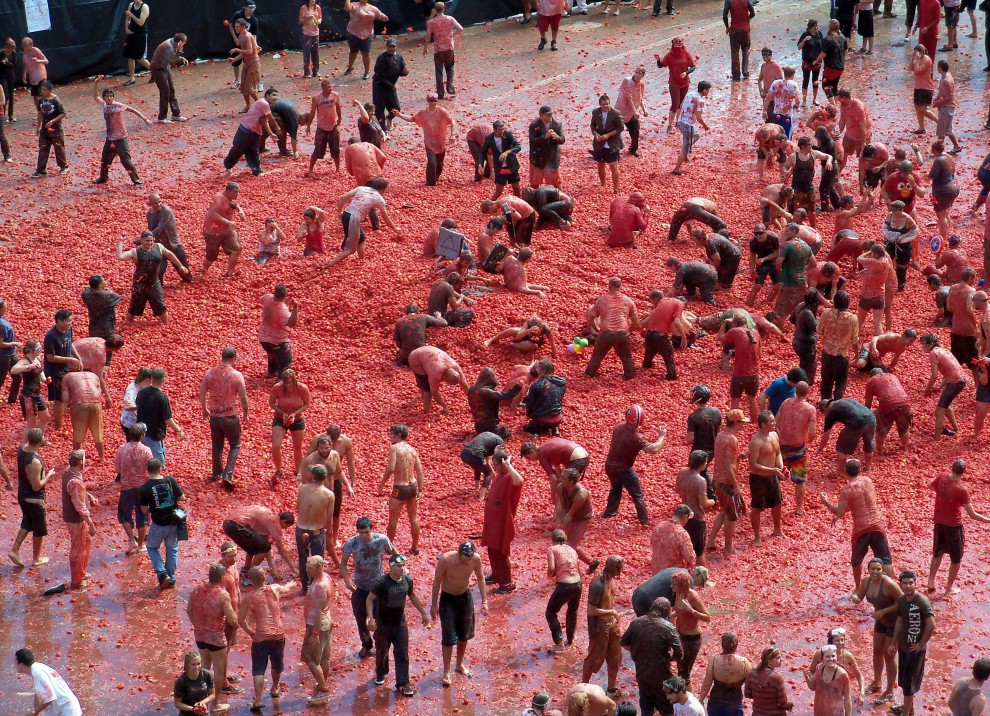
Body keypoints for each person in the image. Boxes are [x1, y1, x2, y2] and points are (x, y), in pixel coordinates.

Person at [820, 458, 893, 585]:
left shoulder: (846, 490)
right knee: (885, 559)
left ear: (846, 472)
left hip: (861, 528)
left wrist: (826, 502)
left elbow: (839, 511)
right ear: (859, 470)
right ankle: (896, 589)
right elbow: (860, 502)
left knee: (856, 561)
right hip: (877, 524)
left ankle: (859, 588)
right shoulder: (868, 481)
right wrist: (841, 513)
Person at [368, 553, 430, 696]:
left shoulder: (407, 580)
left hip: (400, 624)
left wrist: (423, 612)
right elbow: (369, 599)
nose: (402, 568)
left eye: (403, 565)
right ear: (390, 567)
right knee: (382, 650)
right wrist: (371, 618)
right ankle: (381, 672)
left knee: (402, 653)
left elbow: (412, 596)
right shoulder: (382, 582)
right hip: (383, 624)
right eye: (398, 566)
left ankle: (403, 683)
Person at [238, 566, 297, 713]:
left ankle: (258, 699)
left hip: (261, 636)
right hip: (278, 634)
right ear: (264, 577)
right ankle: (275, 688)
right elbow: (286, 588)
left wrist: (251, 632)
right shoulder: (275, 589)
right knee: (277, 664)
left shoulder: (248, 598)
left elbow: (241, 620)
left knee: (259, 668)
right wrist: (293, 583)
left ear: (250, 580)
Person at [927, 459, 990, 595]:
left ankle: (930, 582)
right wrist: (988, 520)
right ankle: (948, 588)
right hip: (953, 526)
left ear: (951, 468)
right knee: (956, 559)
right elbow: (972, 515)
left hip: (938, 522)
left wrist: (942, 496)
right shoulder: (962, 490)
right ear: (964, 472)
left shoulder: (941, 477)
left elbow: (930, 486)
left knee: (937, 552)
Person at [430, 541, 488, 687]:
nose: (466, 560)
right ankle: (447, 670)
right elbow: (437, 582)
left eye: (469, 557)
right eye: (464, 557)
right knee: (448, 636)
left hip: (465, 596)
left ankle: (459, 664)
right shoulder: (446, 560)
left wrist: (484, 601)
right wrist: (433, 605)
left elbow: (481, 578)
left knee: (464, 634)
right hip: (448, 598)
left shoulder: (476, 559)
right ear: (458, 553)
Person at [341, 517, 396, 658]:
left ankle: (380, 645)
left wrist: (400, 569)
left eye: (366, 532)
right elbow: (343, 564)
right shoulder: (352, 543)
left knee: (380, 620)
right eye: (361, 533)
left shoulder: (381, 540)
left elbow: (394, 553)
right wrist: (347, 580)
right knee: (360, 620)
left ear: (372, 529)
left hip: (378, 587)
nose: (364, 536)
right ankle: (366, 645)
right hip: (360, 587)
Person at [185, 564, 238, 711]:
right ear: (222, 578)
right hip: (216, 636)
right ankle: (215, 705)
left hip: (200, 635)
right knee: (219, 671)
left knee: (204, 669)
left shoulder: (196, 590)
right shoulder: (222, 594)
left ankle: (200, 701)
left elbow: (189, 610)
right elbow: (232, 619)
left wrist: (197, 624)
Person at [603, 404, 666, 525]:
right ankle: (644, 521)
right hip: (624, 469)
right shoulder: (636, 438)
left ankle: (609, 513)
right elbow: (653, 449)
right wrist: (662, 436)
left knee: (615, 488)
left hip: (610, 466)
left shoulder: (619, 427)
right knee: (637, 495)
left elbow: (620, 445)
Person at [851, 558, 903, 702]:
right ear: (868, 569)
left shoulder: (889, 584)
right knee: (876, 651)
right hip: (881, 620)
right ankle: (877, 682)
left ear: (883, 570)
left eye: (878, 569)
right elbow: (859, 596)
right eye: (872, 568)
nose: (875, 572)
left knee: (889, 655)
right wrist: (855, 598)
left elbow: (903, 603)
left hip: (895, 622)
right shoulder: (866, 582)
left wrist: (884, 611)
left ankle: (890, 690)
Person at [621, 597, 683, 716]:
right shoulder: (669, 627)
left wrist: (637, 652)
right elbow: (679, 654)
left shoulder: (636, 622)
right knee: (668, 710)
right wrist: (669, 658)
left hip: (643, 674)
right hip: (662, 675)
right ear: (667, 612)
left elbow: (623, 642)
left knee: (646, 709)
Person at [198, 347, 248, 488]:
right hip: (230, 415)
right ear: (234, 359)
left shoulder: (210, 373)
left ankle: (216, 473)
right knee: (235, 444)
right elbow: (243, 398)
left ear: (222, 357)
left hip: (214, 415)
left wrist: (204, 409)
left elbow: (202, 393)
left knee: (217, 445)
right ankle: (227, 474)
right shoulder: (237, 375)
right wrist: (245, 414)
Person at [116, 232, 189, 325]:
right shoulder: (135, 252)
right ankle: (128, 324)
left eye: (151, 240)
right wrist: (121, 242)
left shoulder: (158, 247)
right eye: (147, 241)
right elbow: (120, 257)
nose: (150, 243)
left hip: (154, 282)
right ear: (141, 240)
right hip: (140, 283)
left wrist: (180, 266)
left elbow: (170, 254)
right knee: (134, 305)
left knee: (160, 305)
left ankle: (165, 325)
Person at [889, 570, 935, 716]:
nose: (908, 586)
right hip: (903, 646)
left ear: (915, 584)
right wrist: (893, 642)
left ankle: (906, 713)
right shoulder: (902, 601)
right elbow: (899, 621)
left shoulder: (922, 601)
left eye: (911, 583)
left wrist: (921, 644)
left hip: (914, 650)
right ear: (900, 584)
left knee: (909, 683)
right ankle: (909, 708)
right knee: (904, 680)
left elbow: (931, 625)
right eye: (905, 583)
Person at [328, 177, 402, 268]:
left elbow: (343, 197)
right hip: (353, 219)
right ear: (383, 189)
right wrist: (395, 228)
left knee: (361, 238)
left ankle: (361, 260)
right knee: (350, 249)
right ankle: (330, 264)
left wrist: (339, 213)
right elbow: (385, 217)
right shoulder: (378, 198)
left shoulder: (361, 188)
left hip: (346, 214)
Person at [481, 447, 524, 591]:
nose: (495, 468)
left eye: (497, 465)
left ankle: (507, 583)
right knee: (491, 548)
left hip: (502, 522)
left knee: (500, 551)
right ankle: (496, 575)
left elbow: (519, 481)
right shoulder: (499, 475)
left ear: (503, 465)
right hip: (493, 522)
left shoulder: (510, 478)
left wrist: (509, 465)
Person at [582, 555, 625, 699]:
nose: (621, 569)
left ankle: (611, 689)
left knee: (615, 657)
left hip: (612, 624)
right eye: (618, 567)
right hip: (600, 627)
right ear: (610, 566)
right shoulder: (597, 584)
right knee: (593, 659)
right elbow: (591, 610)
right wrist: (611, 612)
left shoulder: (612, 580)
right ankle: (583, 690)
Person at [377, 424, 424, 554]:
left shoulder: (394, 448)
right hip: (412, 487)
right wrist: (420, 489)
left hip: (400, 487)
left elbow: (391, 468)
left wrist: (381, 485)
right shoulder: (413, 450)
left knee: (393, 520)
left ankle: (389, 548)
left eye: (391, 434)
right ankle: (415, 547)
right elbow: (419, 471)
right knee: (413, 518)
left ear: (398, 435)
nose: (389, 437)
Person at [92, 79, 149, 186]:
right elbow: (95, 96)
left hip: (121, 138)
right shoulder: (103, 105)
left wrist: (144, 118)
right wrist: (95, 83)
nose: (109, 98)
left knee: (126, 160)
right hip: (110, 138)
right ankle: (103, 178)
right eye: (107, 96)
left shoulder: (117, 106)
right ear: (104, 98)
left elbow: (132, 109)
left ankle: (136, 180)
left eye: (111, 96)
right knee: (105, 159)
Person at [139, 458, 183, 589]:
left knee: (152, 547)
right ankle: (171, 577)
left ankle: (163, 574)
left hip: (158, 524)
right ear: (160, 469)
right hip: (174, 522)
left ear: (147, 471)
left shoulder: (144, 488)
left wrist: (153, 507)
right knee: (172, 549)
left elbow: (144, 510)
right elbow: (182, 497)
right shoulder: (170, 480)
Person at [394, 93, 455, 186]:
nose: (433, 103)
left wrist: (452, 135)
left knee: (440, 164)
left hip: (441, 143)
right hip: (429, 143)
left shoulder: (442, 112)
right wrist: (399, 115)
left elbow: (452, 121)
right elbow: (412, 119)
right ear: (428, 101)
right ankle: (430, 183)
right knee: (432, 163)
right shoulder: (423, 113)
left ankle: (436, 176)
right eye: (431, 101)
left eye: (435, 101)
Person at [585, 277, 639, 380]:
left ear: (609, 287)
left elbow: (591, 317)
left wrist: (597, 328)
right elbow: (636, 322)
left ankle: (589, 374)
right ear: (621, 287)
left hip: (606, 333)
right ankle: (630, 375)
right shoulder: (628, 300)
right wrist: (627, 330)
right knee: (626, 357)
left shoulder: (601, 300)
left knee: (597, 356)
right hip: (622, 333)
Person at [774, 381, 817, 514]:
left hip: (782, 446)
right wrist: (807, 440)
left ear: (795, 391)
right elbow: (812, 433)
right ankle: (799, 508)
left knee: (777, 475)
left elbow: (777, 421)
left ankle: (775, 505)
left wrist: (781, 433)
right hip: (798, 448)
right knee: (799, 480)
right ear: (807, 392)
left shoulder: (786, 402)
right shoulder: (810, 409)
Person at [222, 505, 297, 577]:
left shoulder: (268, 519)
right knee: (263, 546)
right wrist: (293, 568)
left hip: (227, 523)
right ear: (283, 521)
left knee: (255, 546)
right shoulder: (275, 524)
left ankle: (246, 570)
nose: (285, 529)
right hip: (235, 525)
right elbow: (281, 551)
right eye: (287, 526)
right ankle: (251, 575)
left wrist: (272, 569)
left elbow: (266, 546)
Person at [115, 422, 153, 555]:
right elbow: (151, 469)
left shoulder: (121, 449)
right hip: (143, 488)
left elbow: (117, 469)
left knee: (124, 515)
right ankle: (141, 545)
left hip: (126, 487)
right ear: (142, 435)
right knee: (142, 517)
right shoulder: (146, 451)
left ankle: (132, 540)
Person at [223, 87, 278, 177]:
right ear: (267, 95)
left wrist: (271, 133)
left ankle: (257, 170)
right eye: (273, 95)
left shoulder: (265, 105)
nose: (275, 97)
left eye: (276, 96)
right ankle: (228, 167)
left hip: (254, 132)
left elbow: (265, 121)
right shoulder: (263, 103)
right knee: (238, 149)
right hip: (246, 129)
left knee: (253, 151)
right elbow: (270, 119)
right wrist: (277, 128)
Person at [921, 332, 967, 439]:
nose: (923, 347)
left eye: (924, 344)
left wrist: (927, 390)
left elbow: (935, 375)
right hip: (961, 379)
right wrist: (940, 386)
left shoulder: (933, 353)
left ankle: (937, 438)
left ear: (930, 344)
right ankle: (956, 429)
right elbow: (950, 370)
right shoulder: (943, 350)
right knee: (945, 404)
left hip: (954, 383)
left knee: (939, 410)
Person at [748, 410, 784, 545]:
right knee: (757, 508)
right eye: (771, 421)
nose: (774, 423)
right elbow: (753, 465)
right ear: (763, 424)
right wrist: (773, 470)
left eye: (774, 420)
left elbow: (778, 453)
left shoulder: (774, 435)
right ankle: (757, 536)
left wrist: (781, 467)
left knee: (777, 504)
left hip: (772, 476)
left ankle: (777, 529)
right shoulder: (756, 441)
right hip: (759, 478)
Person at [817, 398, 877, 479]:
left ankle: (840, 471)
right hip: (871, 418)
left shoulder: (831, 411)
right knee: (868, 442)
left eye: (823, 413)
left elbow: (826, 435)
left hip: (857, 422)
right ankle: (868, 468)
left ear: (824, 409)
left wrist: (820, 448)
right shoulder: (843, 400)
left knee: (841, 448)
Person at [269, 368, 310, 483]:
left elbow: (306, 404)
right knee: (276, 444)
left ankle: (299, 472)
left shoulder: (302, 388)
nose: (289, 385)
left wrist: (294, 413)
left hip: (297, 418)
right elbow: (271, 402)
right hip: (280, 417)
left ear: (295, 380)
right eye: (286, 382)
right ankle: (278, 470)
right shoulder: (277, 388)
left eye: (291, 382)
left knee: (297, 447)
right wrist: (282, 413)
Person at [676, 452, 715, 569]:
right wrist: (712, 501)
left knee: (685, 545)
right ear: (702, 465)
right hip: (696, 516)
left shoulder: (682, 472)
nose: (707, 464)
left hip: (682, 514)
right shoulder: (700, 480)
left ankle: (686, 571)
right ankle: (703, 579)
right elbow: (704, 503)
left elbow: (677, 489)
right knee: (699, 550)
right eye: (706, 462)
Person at [14, 648, 82, 716]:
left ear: (21, 664)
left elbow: (49, 698)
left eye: (15, 662)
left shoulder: (37, 673)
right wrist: (36, 713)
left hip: (66, 709)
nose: (14, 664)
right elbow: (38, 694)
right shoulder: (37, 667)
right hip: (64, 708)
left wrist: (33, 712)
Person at [818, 291, 858, 405]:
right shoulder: (852, 319)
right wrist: (856, 354)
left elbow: (819, 330)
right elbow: (855, 340)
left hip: (827, 353)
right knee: (841, 382)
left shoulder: (826, 313)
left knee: (826, 380)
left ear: (834, 301)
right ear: (848, 304)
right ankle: (836, 405)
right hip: (842, 356)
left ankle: (825, 403)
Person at [545, 528, 583, 651]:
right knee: (573, 611)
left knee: (551, 613)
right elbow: (578, 568)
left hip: (564, 584)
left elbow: (551, 569)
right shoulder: (571, 549)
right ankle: (570, 638)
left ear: (553, 540)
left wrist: (550, 575)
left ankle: (559, 642)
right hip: (577, 583)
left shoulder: (552, 549)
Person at [720, 315, 762, 421]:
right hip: (754, 374)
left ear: (735, 324)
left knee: (735, 400)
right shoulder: (756, 333)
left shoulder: (735, 331)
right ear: (746, 323)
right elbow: (759, 354)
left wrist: (725, 323)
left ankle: (734, 423)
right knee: (752, 399)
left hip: (739, 374)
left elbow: (720, 337)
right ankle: (753, 422)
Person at [699, 632, 751, 716]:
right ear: (736, 645)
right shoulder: (744, 663)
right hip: (734, 706)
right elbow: (749, 687)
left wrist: (701, 700)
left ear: (722, 644)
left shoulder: (714, 661)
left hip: (716, 704)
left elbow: (706, 684)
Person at [61, 368, 107, 461]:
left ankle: (76, 460)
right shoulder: (94, 375)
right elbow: (99, 391)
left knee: (78, 433)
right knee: (98, 432)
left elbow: (65, 397)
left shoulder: (68, 376)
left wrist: (66, 407)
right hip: (95, 403)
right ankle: (102, 458)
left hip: (79, 404)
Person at [863, 368, 913, 454]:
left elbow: (868, 404)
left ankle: (880, 451)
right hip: (904, 403)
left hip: (887, 405)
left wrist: (865, 417)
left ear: (871, 376)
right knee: (904, 429)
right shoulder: (893, 376)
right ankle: (905, 449)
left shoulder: (871, 381)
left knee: (880, 430)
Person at [407, 345, 468, 414]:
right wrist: (444, 406)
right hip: (415, 358)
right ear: (444, 378)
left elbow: (465, 385)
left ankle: (422, 396)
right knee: (427, 389)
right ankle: (426, 412)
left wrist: (473, 401)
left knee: (426, 384)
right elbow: (434, 392)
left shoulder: (456, 366)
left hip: (428, 351)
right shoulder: (436, 372)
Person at [654, 37, 697, 135]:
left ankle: (678, 123)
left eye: (680, 42)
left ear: (683, 43)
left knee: (681, 104)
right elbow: (661, 65)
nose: (678, 44)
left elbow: (693, 66)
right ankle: (670, 125)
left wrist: (686, 73)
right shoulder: (670, 55)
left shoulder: (686, 54)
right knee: (675, 104)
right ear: (673, 44)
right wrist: (658, 60)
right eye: (676, 42)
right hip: (674, 82)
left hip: (685, 82)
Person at [146, 194, 193, 282]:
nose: (159, 204)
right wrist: (146, 239)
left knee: (182, 266)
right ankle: (158, 287)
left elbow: (161, 227)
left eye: (160, 201)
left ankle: (188, 280)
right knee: (159, 268)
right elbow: (150, 228)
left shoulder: (166, 211)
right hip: (161, 245)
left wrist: (147, 236)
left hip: (173, 243)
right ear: (150, 204)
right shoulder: (149, 214)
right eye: (156, 203)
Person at [202, 182, 245, 278]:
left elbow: (234, 204)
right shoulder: (218, 199)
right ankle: (203, 270)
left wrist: (240, 211)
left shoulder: (231, 198)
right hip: (213, 230)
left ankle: (230, 273)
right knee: (212, 255)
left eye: (238, 192)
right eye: (235, 192)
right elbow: (212, 213)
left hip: (227, 230)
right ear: (228, 191)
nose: (237, 194)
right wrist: (227, 222)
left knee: (236, 249)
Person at [149, 33, 190, 123]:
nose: (184, 44)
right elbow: (172, 62)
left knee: (171, 90)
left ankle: (176, 114)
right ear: (180, 42)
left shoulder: (172, 42)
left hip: (164, 68)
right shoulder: (168, 46)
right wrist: (180, 51)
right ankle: (162, 117)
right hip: (158, 70)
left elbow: (172, 57)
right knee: (165, 92)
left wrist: (181, 58)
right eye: (184, 42)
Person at [424, 2, 463, 96]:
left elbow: (428, 36)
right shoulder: (450, 19)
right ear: (444, 9)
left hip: (438, 49)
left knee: (439, 71)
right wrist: (453, 34)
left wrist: (425, 48)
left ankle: (440, 93)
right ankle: (450, 87)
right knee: (450, 68)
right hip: (449, 48)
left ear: (435, 10)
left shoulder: (431, 22)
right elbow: (460, 29)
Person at [673, 81, 711, 176]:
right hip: (687, 125)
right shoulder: (700, 101)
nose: (709, 92)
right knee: (685, 149)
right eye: (708, 90)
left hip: (681, 121)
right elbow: (699, 117)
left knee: (696, 135)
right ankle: (676, 169)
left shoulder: (689, 94)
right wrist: (705, 125)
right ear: (704, 90)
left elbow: (681, 106)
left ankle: (685, 152)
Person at [258, 284, 297, 379]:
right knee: (284, 363)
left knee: (272, 354)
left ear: (274, 292)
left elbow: (260, 300)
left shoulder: (268, 297)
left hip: (264, 338)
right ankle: (280, 382)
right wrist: (295, 309)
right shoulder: (283, 310)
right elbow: (292, 323)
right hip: (278, 341)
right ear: (285, 295)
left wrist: (282, 303)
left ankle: (271, 373)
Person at [31, 81, 68, 179]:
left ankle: (64, 166)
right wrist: (38, 127)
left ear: (50, 90)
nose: (43, 91)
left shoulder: (56, 100)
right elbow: (40, 114)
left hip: (56, 129)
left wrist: (52, 121)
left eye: (45, 90)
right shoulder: (41, 100)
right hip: (45, 129)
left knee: (59, 148)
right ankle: (41, 170)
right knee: (43, 148)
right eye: (42, 90)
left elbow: (63, 113)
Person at [306, 80, 342, 177]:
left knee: (335, 150)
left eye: (331, 87)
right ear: (323, 88)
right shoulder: (316, 98)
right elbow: (312, 112)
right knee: (317, 150)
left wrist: (340, 118)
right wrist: (308, 125)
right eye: (328, 87)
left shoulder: (335, 95)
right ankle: (310, 170)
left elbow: (338, 107)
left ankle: (338, 169)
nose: (331, 89)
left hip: (333, 127)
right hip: (322, 128)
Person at [344, 0, 387, 80]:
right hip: (353, 33)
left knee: (365, 53)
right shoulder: (354, 5)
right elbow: (347, 8)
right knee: (353, 51)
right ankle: (350, 67)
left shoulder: (373, 8)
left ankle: (366, 72)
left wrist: (384, 17)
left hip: (367, 33)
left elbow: (380, 15)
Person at [804, 644, 852, 716]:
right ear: (822, 659)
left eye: (833, 656)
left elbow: (847, 700)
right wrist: (807, 678)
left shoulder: (843, 675)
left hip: (835, 712)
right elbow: (813, 688)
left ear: (837, 657)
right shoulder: (819, 668)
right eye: (827, 656)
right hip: (819, 710)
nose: (831, 659)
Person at [745, 645, 794, 716]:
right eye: (778, 658)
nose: (781, 660)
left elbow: (747, 694)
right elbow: (783, 703)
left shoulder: (751, 673)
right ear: (769, 661)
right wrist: (790, 705)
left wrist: (761, 698)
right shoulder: (777, 678)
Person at [591, 94, 624, 194]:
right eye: (603, 104)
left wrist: (608, 135)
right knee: (600, 164)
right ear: (600, 105)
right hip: (599, 142)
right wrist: (595, 133)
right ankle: (603, 184)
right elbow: (593, 125)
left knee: (613, 165)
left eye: (607, 104)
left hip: (612, 143)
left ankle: (615, 188)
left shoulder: (616, 113)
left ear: (610, 104)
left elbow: (620, 128)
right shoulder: (596, 112)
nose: (605, 106)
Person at [228, 18, 260, 112]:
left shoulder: (247, 36)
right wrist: (234, 59)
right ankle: (248, 106)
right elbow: (244, 53)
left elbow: (250, 51)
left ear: (243, 27)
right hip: (247, 64)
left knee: (249, 88)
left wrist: (237, 50)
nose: (235, 28)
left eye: (237, 27)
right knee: (243, 87)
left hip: (253, 63)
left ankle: (261, 106)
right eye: (235, 26)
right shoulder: (241, 36)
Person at [651, 505, 696, 573]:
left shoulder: (659, 526)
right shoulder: (681, 534)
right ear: (684, 517)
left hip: (656, 571)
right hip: (671, 574)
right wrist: (694, 554)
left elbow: (652, 543)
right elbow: (690, 558)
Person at [528, 105, 565, 187]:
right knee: (535, 183)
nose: (550, 116)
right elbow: (533, 140)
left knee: (556, 183)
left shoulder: (556, 124)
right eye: (548, 115)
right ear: (541, 116)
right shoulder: (534, 125)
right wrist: (545, 136)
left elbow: (562, 139)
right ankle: (534, 198)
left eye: (551, 114)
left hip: (551, 158)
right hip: (538, 158)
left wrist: (557, 137)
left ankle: (560, 198)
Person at [615, 67, 648, 157]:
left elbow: (640, 98)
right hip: (621, 110)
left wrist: (644, 110)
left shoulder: (641, 84)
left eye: (639, 73)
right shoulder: (627, 81)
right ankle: (614, 151)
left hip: (631, 112)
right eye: (636, 72)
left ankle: (633, 149)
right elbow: (628, 97)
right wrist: (635, 111)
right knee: (616, 131)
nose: (637, 74)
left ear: (643, 75)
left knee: (635, 129)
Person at [227, 1, 259, 90]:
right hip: (237, 42)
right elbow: (231, 25)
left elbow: (254, 36)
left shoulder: (254, 21)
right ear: (245, 7)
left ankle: (256, 82)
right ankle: (237, 81)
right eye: (250, 7)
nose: (252, 10)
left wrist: (255, 45)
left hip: (247, 47)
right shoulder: (238, 15)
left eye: (254, 8)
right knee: (237, 63)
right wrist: (235, 38)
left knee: (250, 64)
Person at [723, 0, 755, 82]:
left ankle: (736, 75)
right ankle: (745, 71)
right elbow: (753, 13)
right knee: (746, 49)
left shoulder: (729, 1)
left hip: (734, 30)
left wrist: (727, 27)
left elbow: (725, 15)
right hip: (745, 30)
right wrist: (748, 19)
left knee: (735, 52)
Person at [933, 60, 960, 153]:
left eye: (937, 66)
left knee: (942, 130)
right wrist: (937, 98)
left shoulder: (946, 80)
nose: (936, 68)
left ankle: (938, 150)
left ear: (940, 68)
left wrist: (938, 103)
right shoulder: (946, 77)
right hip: (948, 107)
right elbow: (941, 92)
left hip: (947, 107)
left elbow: (949, 97)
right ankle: (956, 146)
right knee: (947, 130)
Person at [768, 67, 800, 139]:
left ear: (784, 73)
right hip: (787, 114)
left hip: (776, 113)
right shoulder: (794, 84)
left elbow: (768, 97)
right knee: (787, 135)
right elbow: (798, 101)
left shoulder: (775, 83)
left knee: (777, 134)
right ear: (793, 74)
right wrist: (797, 106)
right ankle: (786, 149)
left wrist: (764, 111)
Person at [299, 0, 323, 78]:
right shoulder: (304, 8)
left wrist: (318, 21)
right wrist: (307, 18)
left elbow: (320, 17)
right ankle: (306, 72)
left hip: (315, 33)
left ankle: (315, 71)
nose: (314, 1)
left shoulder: (318, 7)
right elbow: (300, 21)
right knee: (306, 53)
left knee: (315, 53)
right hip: (306, 33)